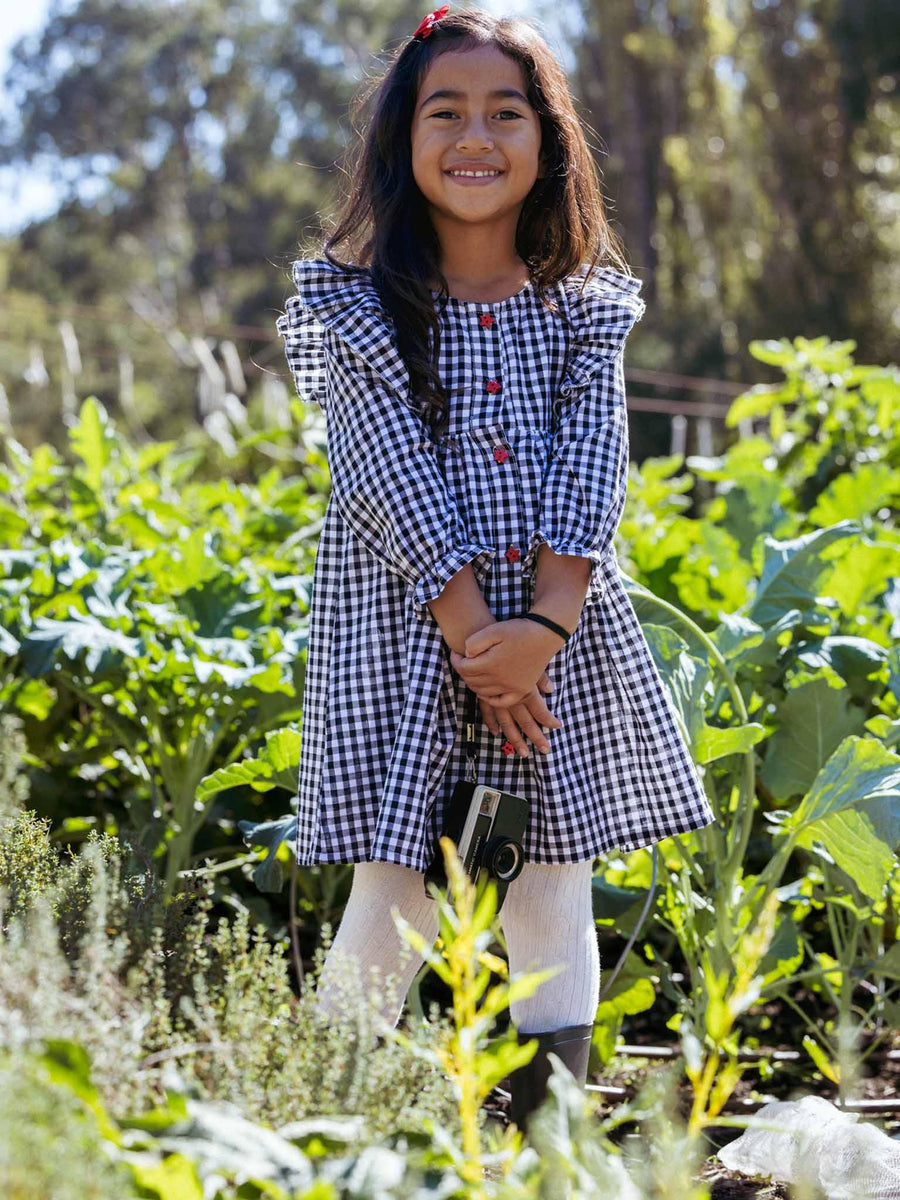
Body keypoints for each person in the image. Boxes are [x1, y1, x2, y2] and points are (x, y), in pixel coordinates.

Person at [275, 5, 716, 1132]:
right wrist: (481, 643)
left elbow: (594, 464)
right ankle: (326, 1121)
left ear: (549, 143)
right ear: (402, 142)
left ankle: (546, 1139)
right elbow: (387, 477)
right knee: (403, 883)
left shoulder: (583, 309)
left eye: (506, 112)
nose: (477, 136)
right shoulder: (357, 306)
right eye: (446, 111)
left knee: (550, 873)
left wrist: (546, 631)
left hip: (560, 640)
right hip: (413, 632)